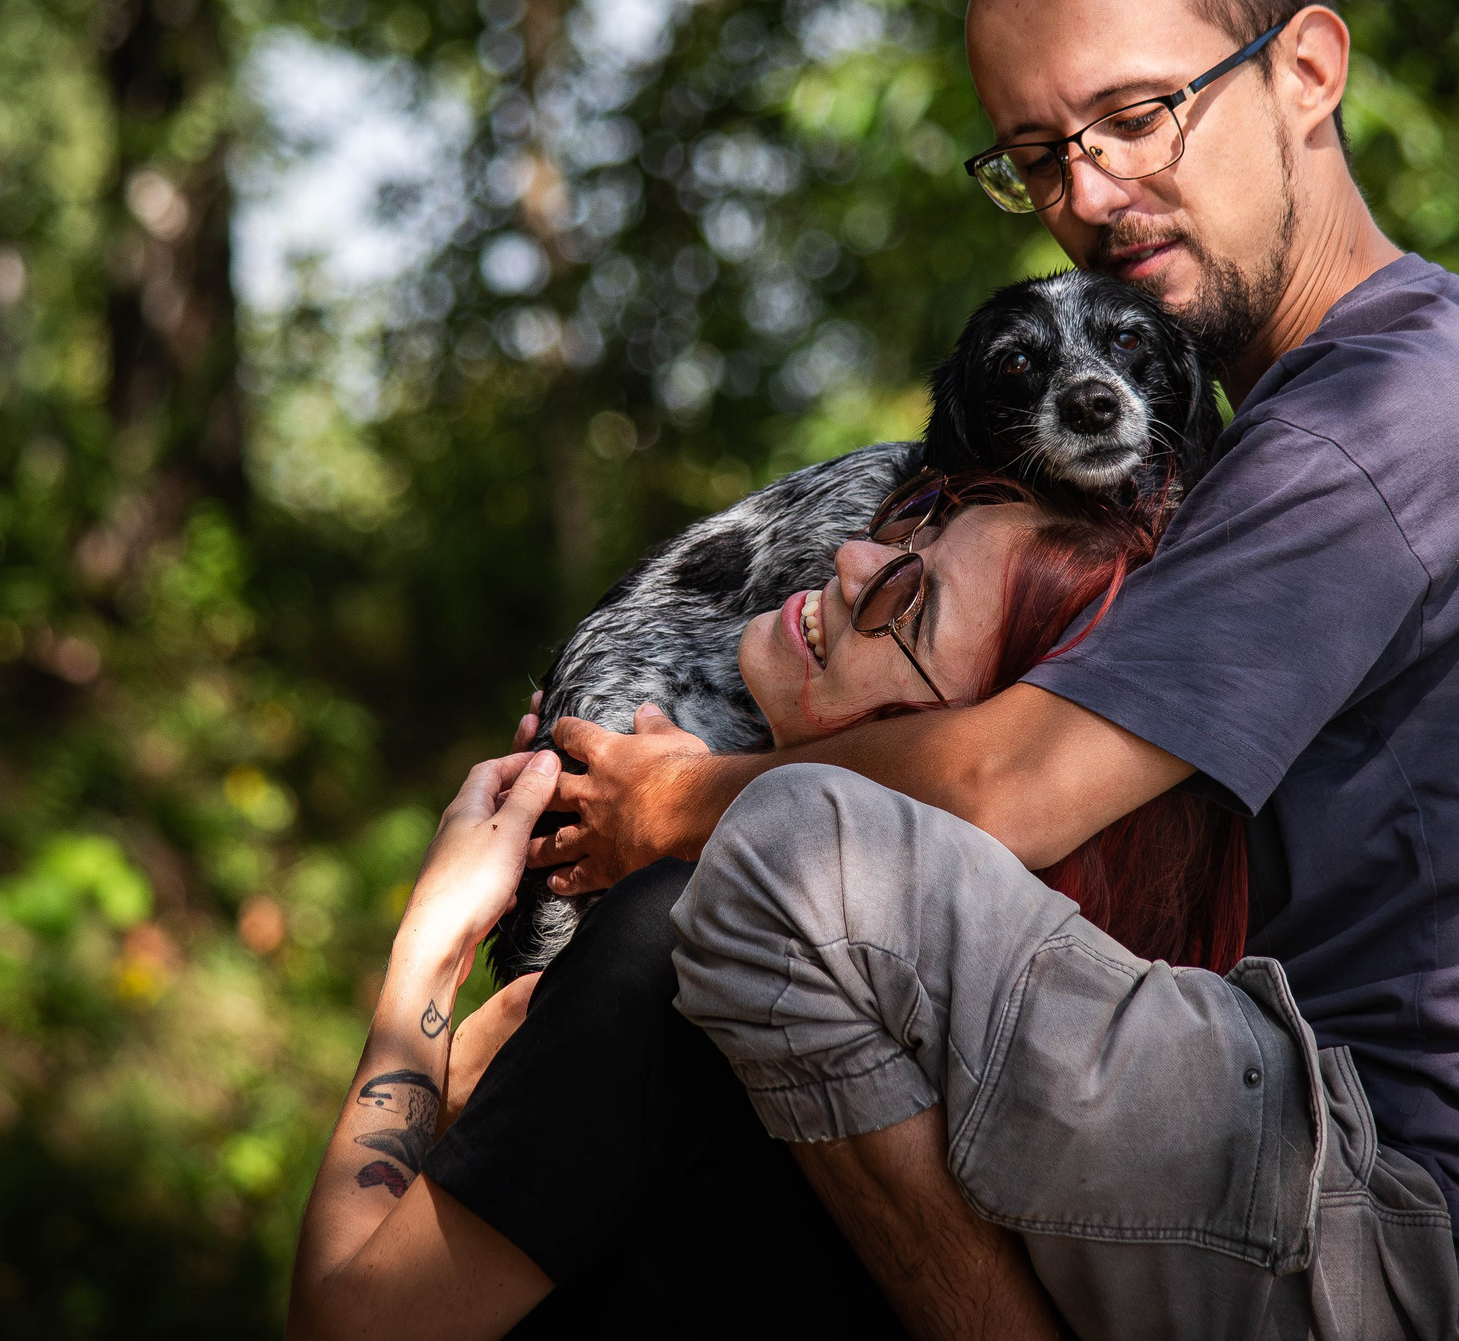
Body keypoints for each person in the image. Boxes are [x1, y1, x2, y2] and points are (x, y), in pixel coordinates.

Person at [536, 0, 1459, 1341]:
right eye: (1037, 154)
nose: (1090, 196)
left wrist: (680, 796)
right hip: (1360, 1184)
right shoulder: (1384, 391)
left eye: (1137, 114)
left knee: (797, 856)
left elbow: (1004, 791)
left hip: (1430, 1246)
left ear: (1307, 68)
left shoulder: (1390, 415)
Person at [286, 479, 1245, 1338]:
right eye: (921, 518)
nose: (854, 556)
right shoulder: (1007, 1068)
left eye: (909, 599)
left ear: (948, 750)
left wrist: (432, 951)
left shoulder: (688, 944)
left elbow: (348, 1320)